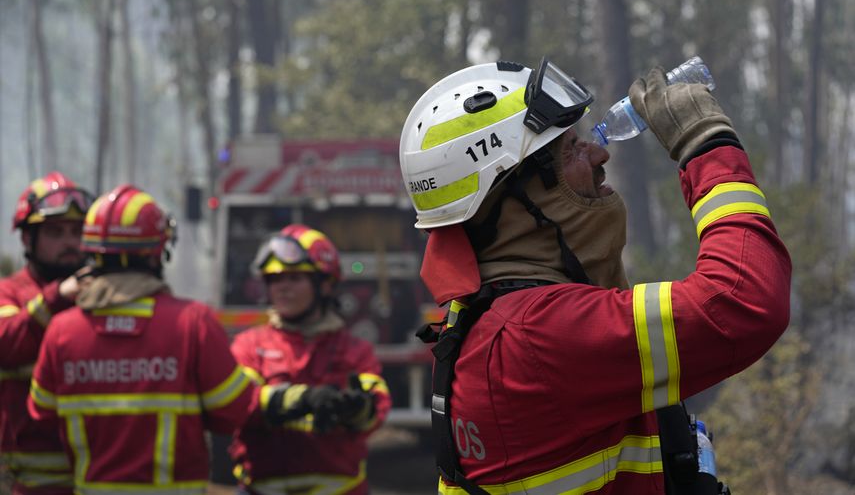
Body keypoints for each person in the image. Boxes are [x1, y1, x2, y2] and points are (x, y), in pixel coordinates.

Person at [398, 59, 791, 493]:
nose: (600, 155)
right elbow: (742, 302)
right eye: (570, 151)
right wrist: (707, 145)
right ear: (510, 202)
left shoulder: (485, 317)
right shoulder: (538, 334)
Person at [27, 184, 255, 494]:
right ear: (158, 252)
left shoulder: (61, 331)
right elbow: (235, 412)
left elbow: (42, 414)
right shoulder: (192, 323)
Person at [229, 224, 391, 495]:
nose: (282, 288)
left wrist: (358, 408)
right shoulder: (250, 346)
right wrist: (301, 399)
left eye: (294, 278)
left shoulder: (354, 350)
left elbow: (378, 407)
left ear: (325, 284)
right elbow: (238, 404)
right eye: (274, 280)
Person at [0, 172, 94, 494]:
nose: (70, 242)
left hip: (98, 474)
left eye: (77, 231)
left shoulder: (99, 295)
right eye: (55, 232)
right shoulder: (9, 293)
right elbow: (5, 342)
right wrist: (56, 299)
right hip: (28, 479)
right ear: (27, 239)